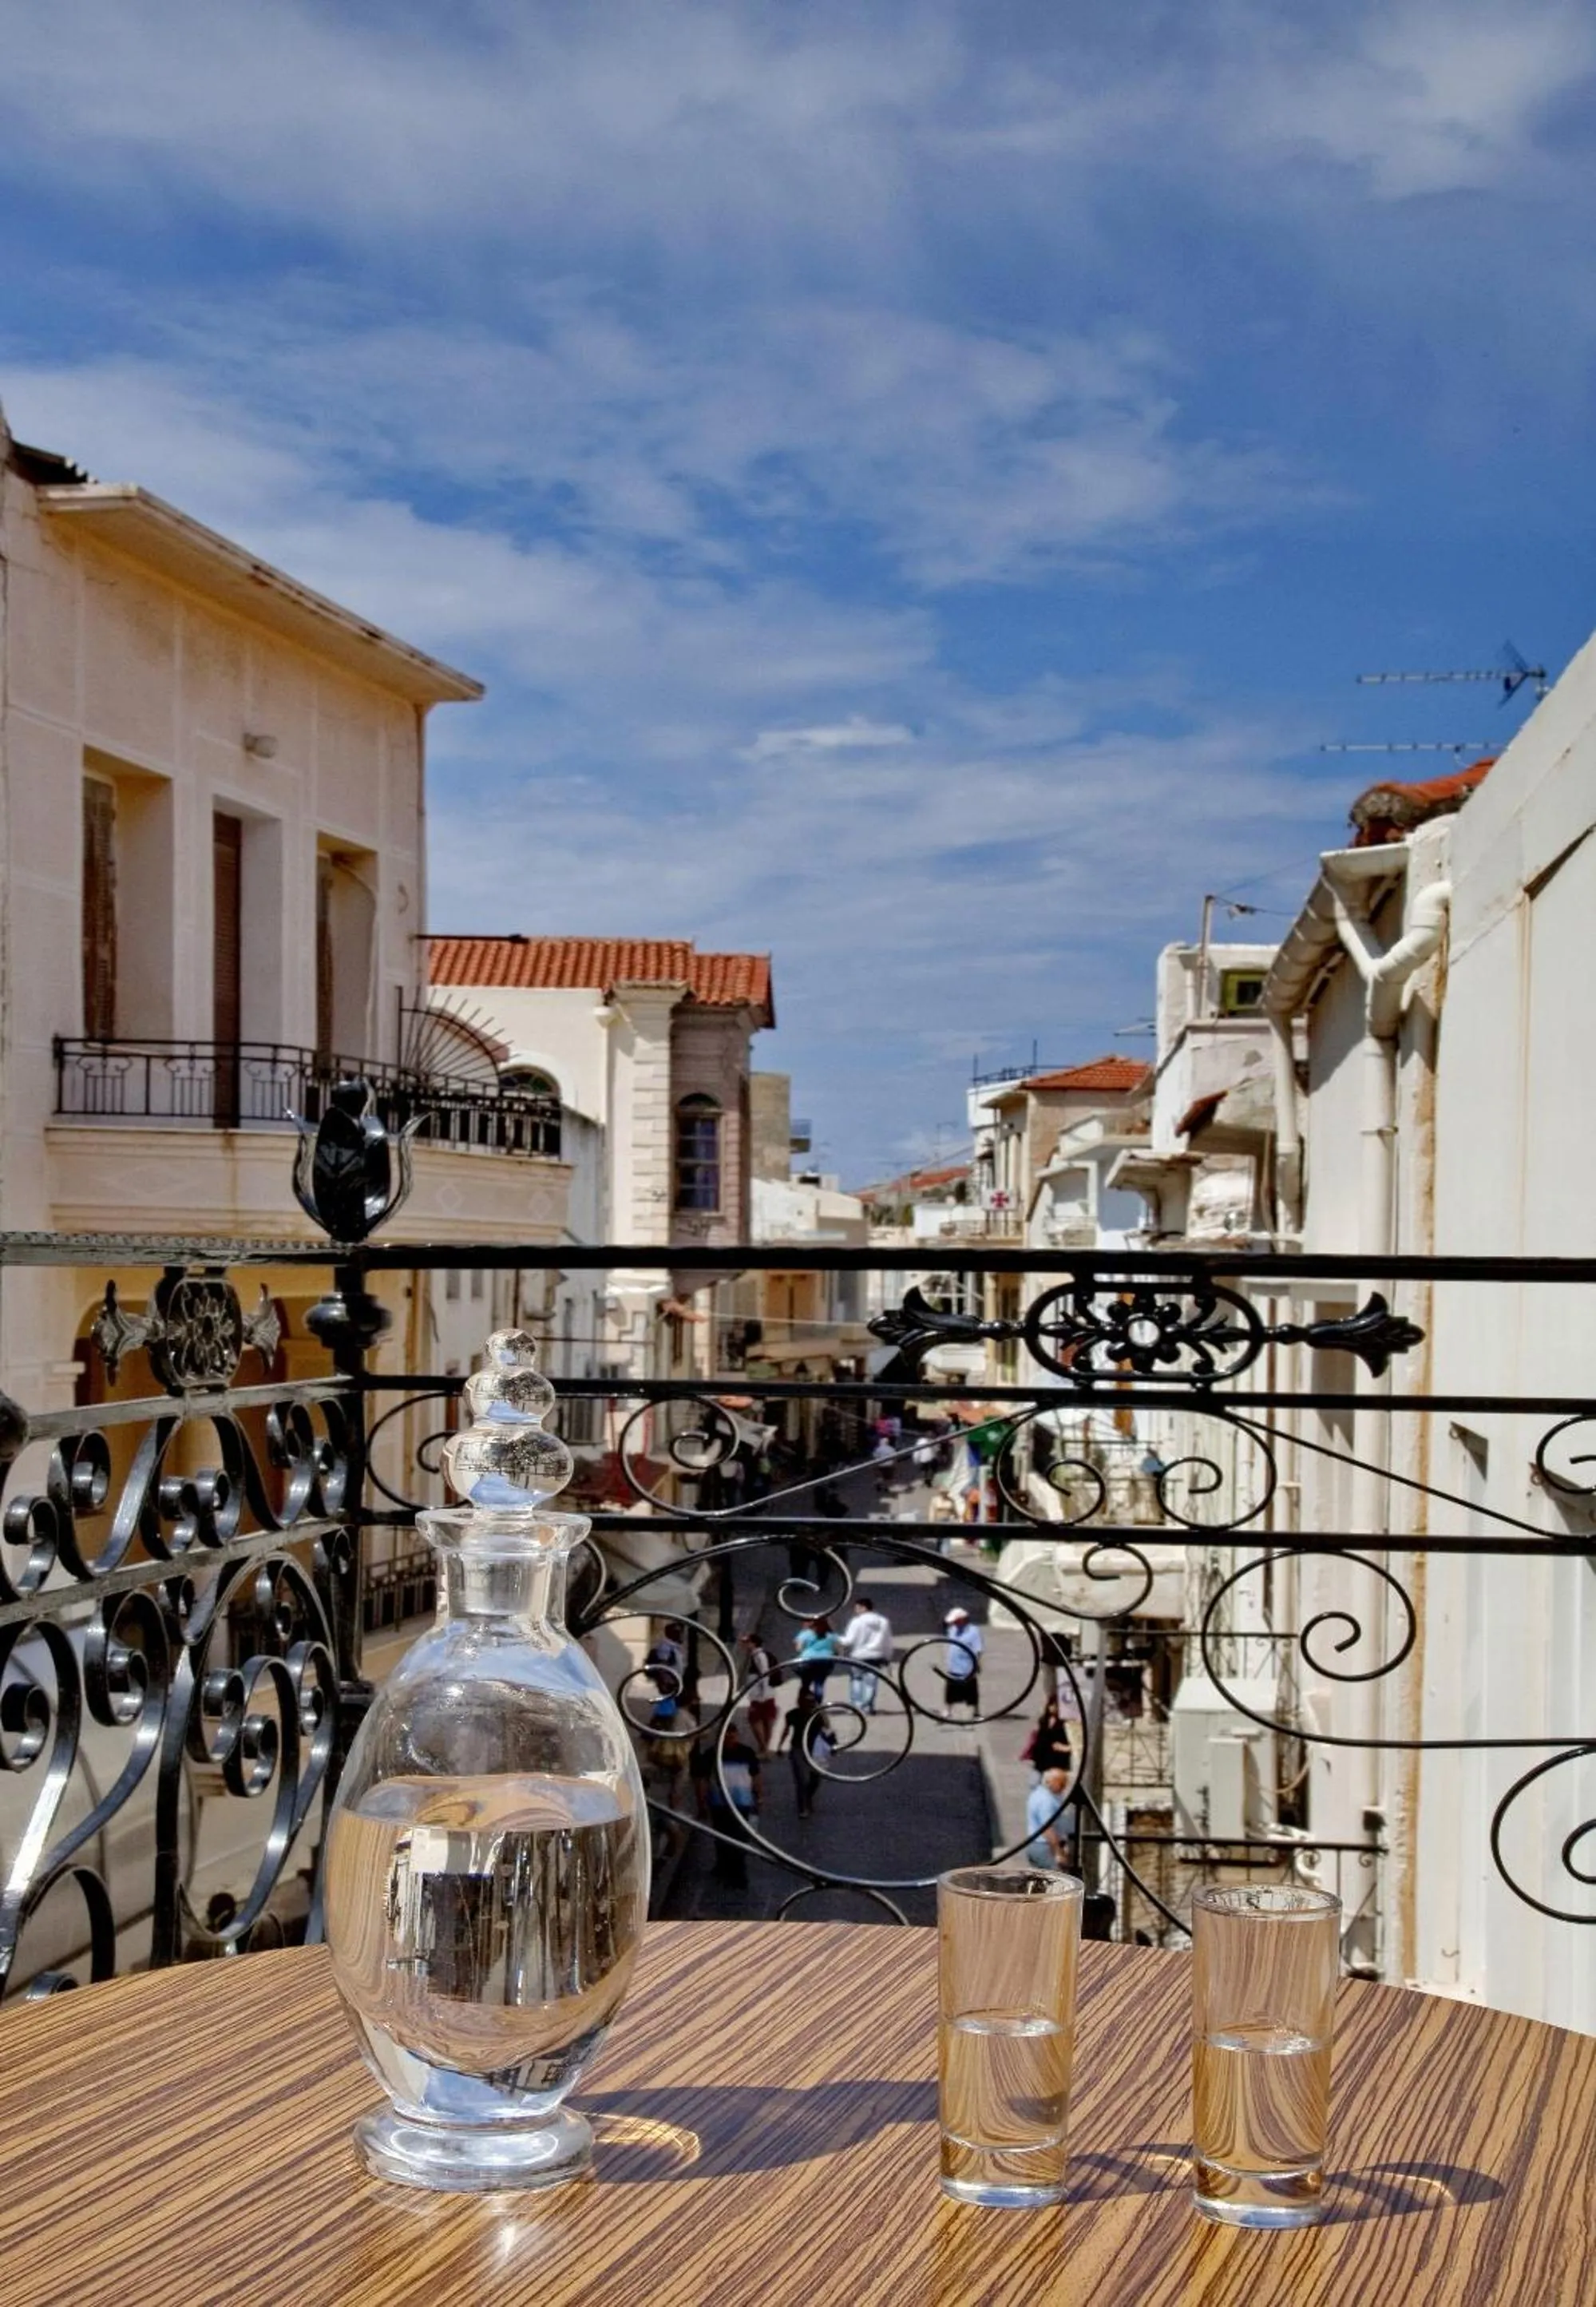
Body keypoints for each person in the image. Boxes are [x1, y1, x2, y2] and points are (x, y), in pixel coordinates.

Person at [708, 1712, 762, 1885]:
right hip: (719, 1803)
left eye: (732, 1735)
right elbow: (702, 1778)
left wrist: (759, 1796)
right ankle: (722, 1865)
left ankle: (739, 1873)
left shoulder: (747, 1753)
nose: (729, 1738)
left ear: (737, 1736)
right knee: (721, 1836)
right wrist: (702, 1800)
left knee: (739, 1838)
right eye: (726, 1735)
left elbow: (756, 1775)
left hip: (742, 1803)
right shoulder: (712, 1754)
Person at [778, 1683, 834, 1819]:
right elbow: (786, 1731)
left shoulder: (818, 1715)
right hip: (798, 1749)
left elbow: (828, 1728)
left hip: (815, 1751)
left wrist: (821, 1710)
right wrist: (780, 1746)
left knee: (815, 1780)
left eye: (811, 1701)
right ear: (799, 1701)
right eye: (806, 1701)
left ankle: (807, 1797)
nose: (808, 1704)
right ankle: (802, 1808)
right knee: (801, 1779)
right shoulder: (792, 1714)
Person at [836, 1594, 894, 1714]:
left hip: (858, 1655)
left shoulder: (856, 1622)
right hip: (876, 1656)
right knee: (871, 1682)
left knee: (856, 1679)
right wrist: (888, 1657)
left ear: (863, 1608)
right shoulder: (883, 1622)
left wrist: (835, 1639)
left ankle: (856, 1706)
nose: (855, 1610)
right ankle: (868, 1707)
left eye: (857, 1608)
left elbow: (849, 1641)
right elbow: (888, 1641)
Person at [1025, 1766, 1074, 1870]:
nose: (1064, 1787)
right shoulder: (1046, 1801)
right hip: (1045, 1847)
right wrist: (1058, 1853)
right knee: (1058, 1879)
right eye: (1062, 1783)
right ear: (1051, 1782)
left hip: (1036, 1845)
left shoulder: (1038, 1793)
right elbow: (1047, 1829)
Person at [740, 1630, 782, 1754]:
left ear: (753, 1643)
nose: (744, 1645)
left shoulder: (759, 1656)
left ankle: (764, 1748)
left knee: (756, 1719)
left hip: (761, 1695)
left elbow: (765, 1674)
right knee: (765, 1720)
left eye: (746, 1642)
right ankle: (764, 1748)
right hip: (764, 1694)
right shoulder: (755, 1655)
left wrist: (763, 1694)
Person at [941, 1606, 984, 1716]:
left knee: (972, 1692)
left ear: (962, 1619)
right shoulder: (952, 1630)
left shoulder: (974, 1631)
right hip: (953, 1667)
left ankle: (976, 1712)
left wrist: (976, 1664)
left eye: (956, 1621)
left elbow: (978, 1650)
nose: (954, 1623)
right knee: (951, 1691)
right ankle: (948, 1711)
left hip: (967, 1667)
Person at [1020, 1692, 1073, 1780]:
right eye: (1051, 1705)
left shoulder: (1064, 1724)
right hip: (1041, 1760)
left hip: (1055, 1762)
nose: (1053, 1708)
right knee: (1034, 1783)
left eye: (1056, 1706)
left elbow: (1073, 1745)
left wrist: (1065, 1748)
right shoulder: (1043, 1720)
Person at [794, 1613, 838, 1697]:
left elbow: (798, 1649)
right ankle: (818, 1705)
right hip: (825, 1661)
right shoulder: (831, 1635)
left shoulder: (805, 1633)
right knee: (819, 1684)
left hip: (808, 1661)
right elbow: (839, 1650)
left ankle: (804, 1703)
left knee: (805, 1684)